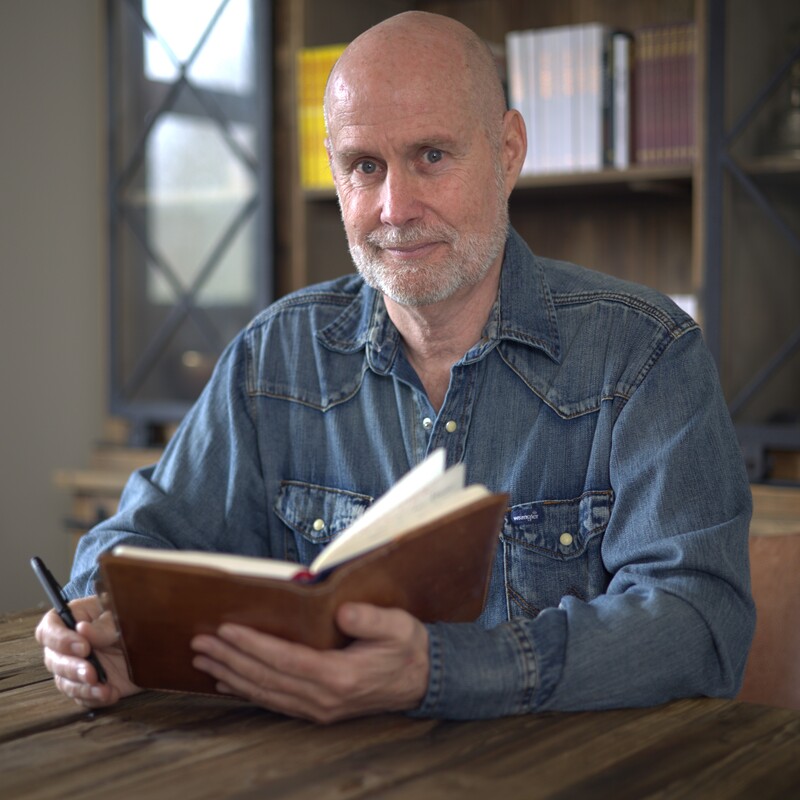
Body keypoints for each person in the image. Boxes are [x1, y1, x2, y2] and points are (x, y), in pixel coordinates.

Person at [36, 11, 754, 722]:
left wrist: (440, 673)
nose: (394, 208)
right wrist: (97, 622)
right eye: (364, 166)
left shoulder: (646, 354)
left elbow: (699, 622)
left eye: (431, 156)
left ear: (508, 152)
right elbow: (141, 537)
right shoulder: (274, 356)